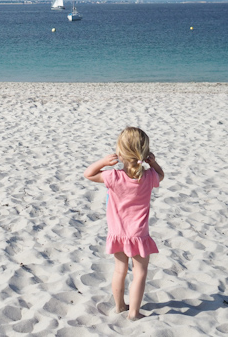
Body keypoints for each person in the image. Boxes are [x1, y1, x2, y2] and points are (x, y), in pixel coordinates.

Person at [84, 127, 165, 320]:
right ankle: (134, 314)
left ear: (120, 153)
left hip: (117, 232)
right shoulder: (148, 177)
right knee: (140, 273)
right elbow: (161, 176)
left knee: (120, 269)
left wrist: (103, 162)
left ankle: (120, 306)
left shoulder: (113, 177)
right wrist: (153, 164)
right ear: (144, 154)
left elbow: (88, 174)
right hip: (138, 234)